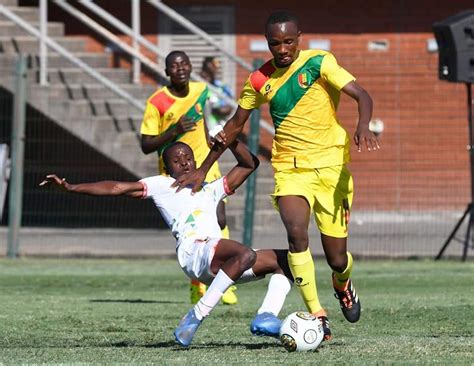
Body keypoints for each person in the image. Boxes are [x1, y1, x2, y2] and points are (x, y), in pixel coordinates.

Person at [171, 10, 381, 341]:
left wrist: (363, 124)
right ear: (268, 43)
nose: (282, 49)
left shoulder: (319, 63)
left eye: (287, 42)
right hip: (290, 169)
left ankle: (341, 282)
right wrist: (202, 167)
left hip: (331, 167)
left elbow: (362, 95)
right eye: (274, 43)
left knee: (336, 257)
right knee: (297, 236)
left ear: (299, 38)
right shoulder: (257, 80)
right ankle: (318, 314)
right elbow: (233, 127)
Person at [39, 139, 294, 347]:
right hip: (194, 251)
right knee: (246, 253)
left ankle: (266, 317)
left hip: (221, 261)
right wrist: (71, 188)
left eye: (188, 157)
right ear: (167, 168)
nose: (184, 162)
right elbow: (116, 187)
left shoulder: (210, 189)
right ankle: (196, 315)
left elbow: (250, 163)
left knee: (286, 261)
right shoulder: (162, 185)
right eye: (177, 159)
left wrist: (229, 140)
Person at [139, 50, 237, 305]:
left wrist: (209, 144)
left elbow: (202, 122)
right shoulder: (157, 101)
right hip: (175, 172)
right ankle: (198, 284)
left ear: (191, 67)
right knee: (193, 230)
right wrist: (174, 130)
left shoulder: (200, 90)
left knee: (220, 215)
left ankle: (224, 278)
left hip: (203, 162)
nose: (180, 68)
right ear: (166, 71)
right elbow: (146, 144)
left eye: (184, 63)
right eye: (174, 65)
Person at [200, 56, 235, 130]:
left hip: (219, 127)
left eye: (214, 67)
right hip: (203, 129)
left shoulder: (222, 87)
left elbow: (229, 108)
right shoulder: (198, 87)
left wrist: (214, 109)